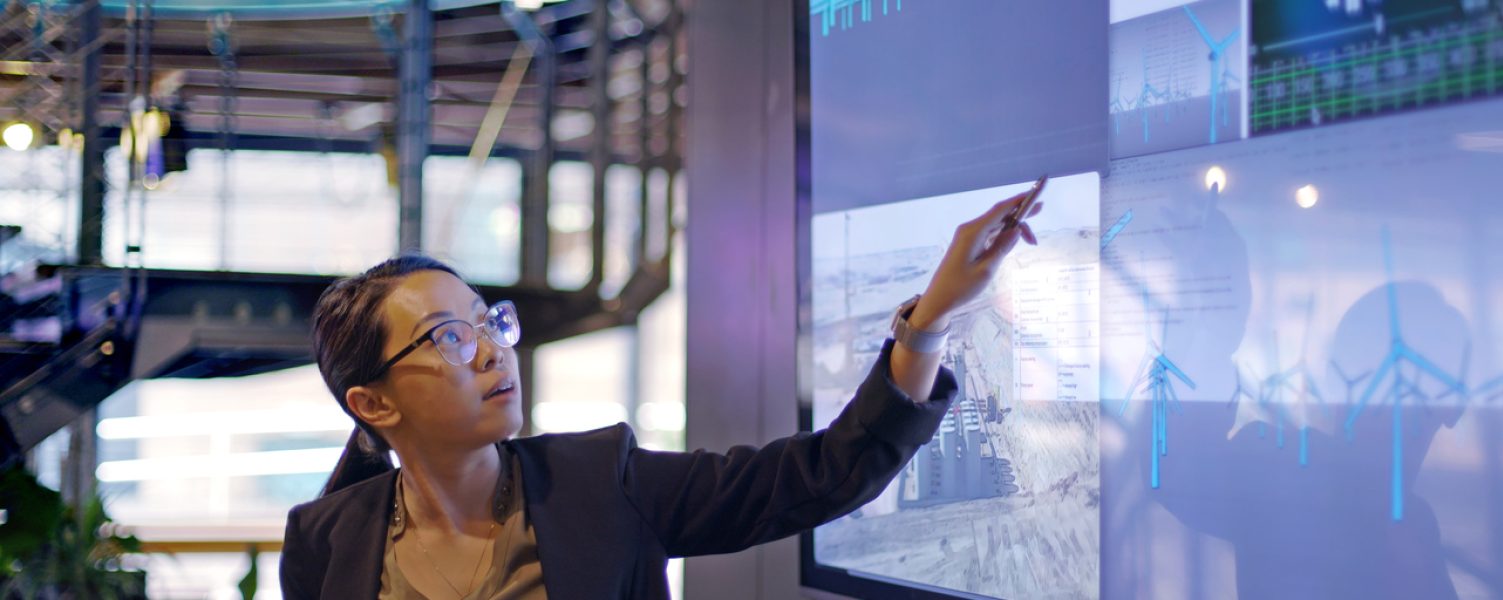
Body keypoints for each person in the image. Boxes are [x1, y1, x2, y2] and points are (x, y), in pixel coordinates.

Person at [279, 194, 1041, 599]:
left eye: (490, 321)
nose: (491, 349)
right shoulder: (325, 541)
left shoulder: (601, 483)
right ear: (373, 404)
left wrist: (928, 325)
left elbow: (821, 473)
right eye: (450, 336)